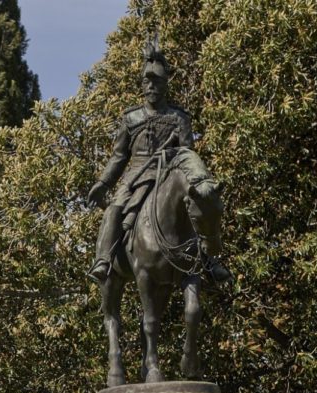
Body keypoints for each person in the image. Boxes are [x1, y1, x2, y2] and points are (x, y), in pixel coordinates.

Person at [87, 43, 228, 284]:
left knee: (195, 209)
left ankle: (208, 261)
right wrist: (103, 183)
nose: (152, 87)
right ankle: (103, 260)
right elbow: (119, 156)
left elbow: (187, 154)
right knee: (114, 209)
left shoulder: (179, 117)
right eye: (147, 82)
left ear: (165, 85)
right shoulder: (131, 118)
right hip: (136, 177)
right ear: (142, 86)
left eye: (157, 82)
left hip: (168, 176)